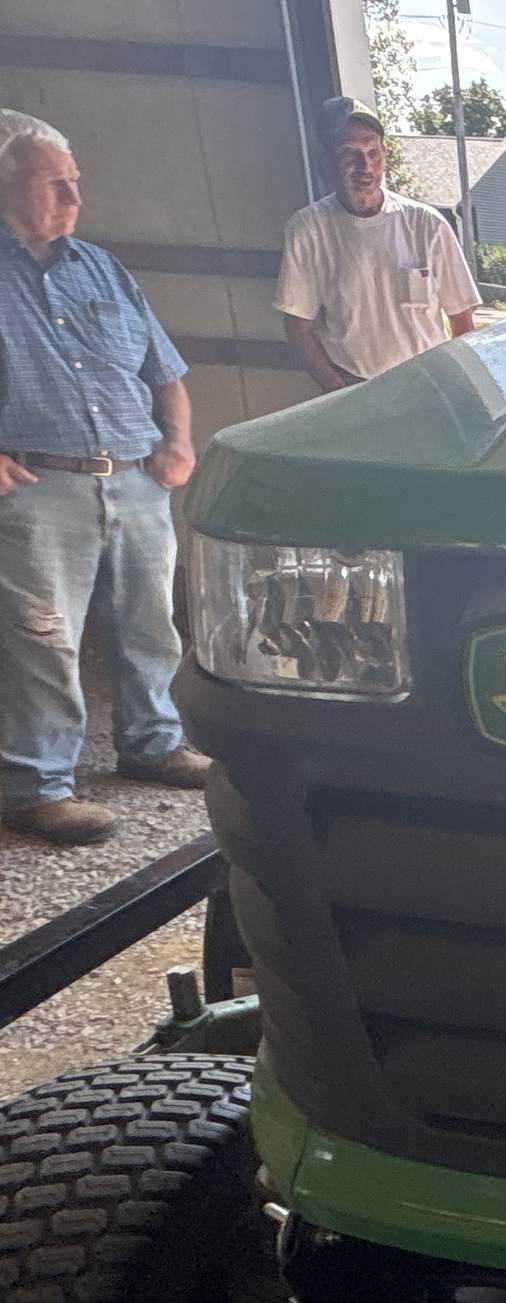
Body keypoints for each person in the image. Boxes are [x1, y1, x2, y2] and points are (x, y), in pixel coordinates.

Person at [0, 111, 209, 847]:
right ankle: (36, 785)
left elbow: (167, 372)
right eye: (54, 181)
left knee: (151, 624)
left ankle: (154, 745)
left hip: (136, 478)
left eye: (75, 181)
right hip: (38, 488)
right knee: (43, 641)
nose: (73, 195)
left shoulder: (102, 268)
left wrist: (177, 443)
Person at [276, 97, 481, 390]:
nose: (365, 167)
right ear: (325, 160)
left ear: (385, 153)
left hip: (428, 385)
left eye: (373, 153)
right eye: (350, 154)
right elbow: (298, 327)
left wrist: (457, 388)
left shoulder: (427, 224)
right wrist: (338, 390)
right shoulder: (307, 229)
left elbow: (462, 321)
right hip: (354, 386)